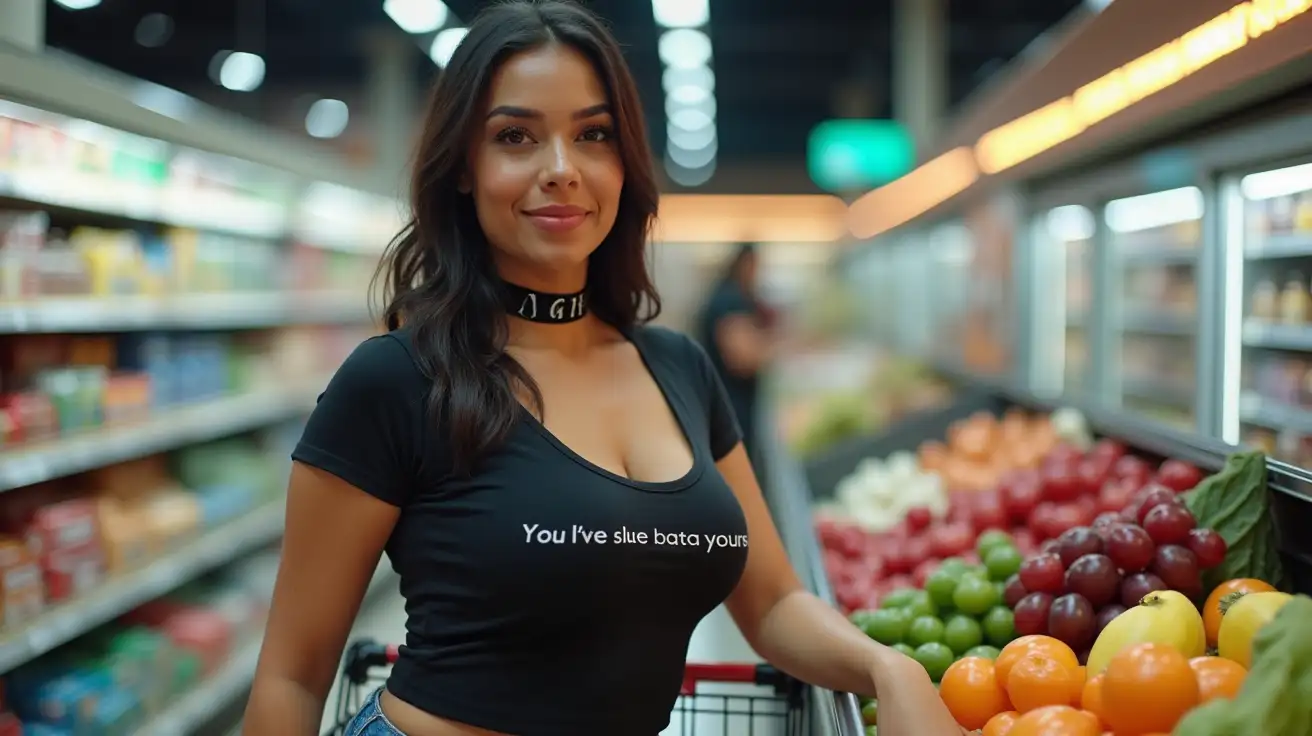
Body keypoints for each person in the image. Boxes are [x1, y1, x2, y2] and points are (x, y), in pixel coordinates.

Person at [241, 2, 963, 735]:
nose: (562, 170)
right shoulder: (397, 380)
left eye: (593, 135)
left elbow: (773, 602)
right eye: (516, 137)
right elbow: (291, 679)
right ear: (463, 166)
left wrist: (887, 668)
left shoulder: (679, 367)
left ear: (624, 164)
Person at [696, 243, 773, 472]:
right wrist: (773, 350)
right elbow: (742, 359)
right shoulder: (730, 299)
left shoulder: (725, 295)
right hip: (731, 408)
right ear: (745, 263)